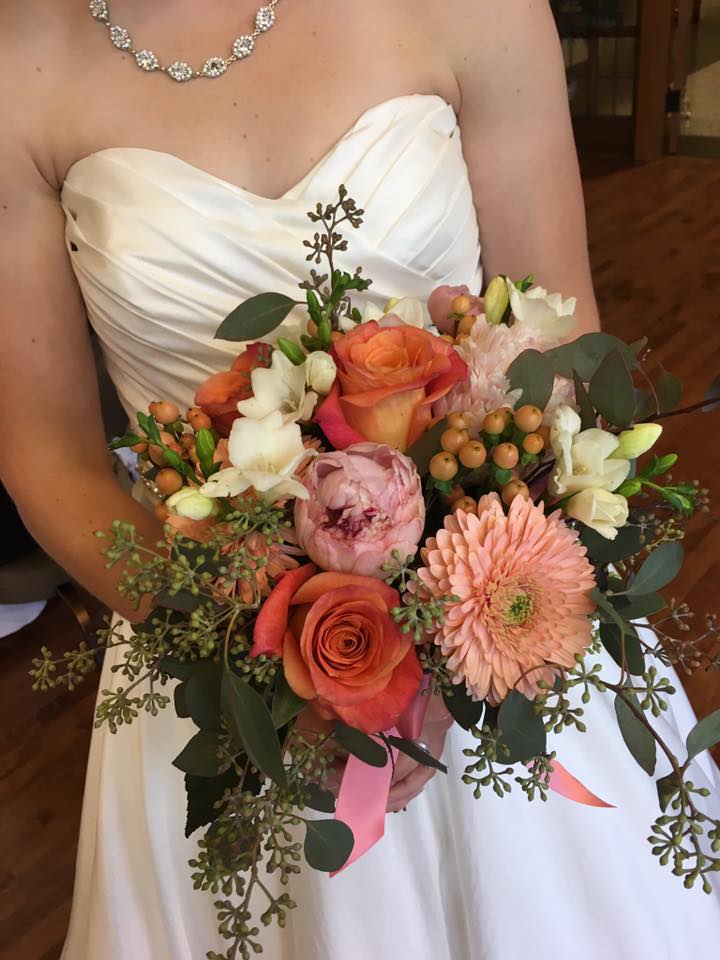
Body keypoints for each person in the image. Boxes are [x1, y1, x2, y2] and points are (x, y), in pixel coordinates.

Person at [1, 1, 718, 957]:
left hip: (490, 618)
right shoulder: (18, 64)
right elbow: (46, 456)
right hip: (210, 637)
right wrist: (263, 669)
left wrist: (461, 649)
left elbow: (562, 346)